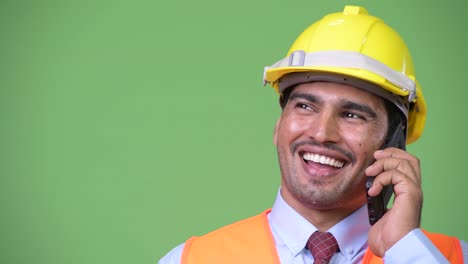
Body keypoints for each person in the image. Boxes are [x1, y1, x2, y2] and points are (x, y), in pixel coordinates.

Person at [159, 5, 467, 263]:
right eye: (305, 106)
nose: (321, 133)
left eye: (352, 115)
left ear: (393, 143)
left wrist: (405, 250)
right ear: (280, 125)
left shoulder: (452, 257)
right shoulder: (190, 259)